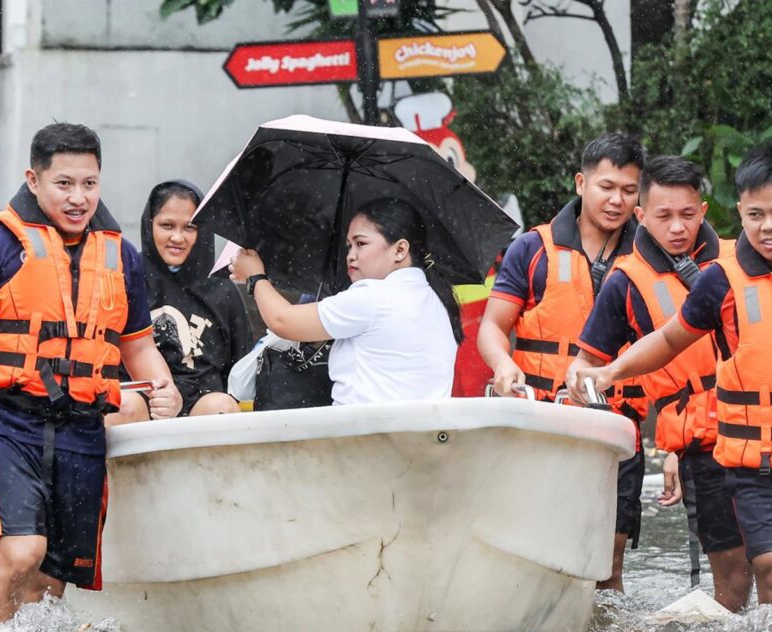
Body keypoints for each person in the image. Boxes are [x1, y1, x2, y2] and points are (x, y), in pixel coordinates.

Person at [573, 144, 772, 611]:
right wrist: (610, 372)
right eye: (756, 215)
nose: (768, 226)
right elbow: (669, 339)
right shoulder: (718, 278)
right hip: (750, 461)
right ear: (740, 212)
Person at [0, 123, 181, 623]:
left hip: (82, 427)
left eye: (89, 183)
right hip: (6, 420)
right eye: (64, 183)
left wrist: (165, 392)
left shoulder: (121, 257)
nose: (78, 198)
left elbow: (139, 349)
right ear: (34, 180)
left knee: (50, 581)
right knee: (22, 553)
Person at [566, 155, 752, 610]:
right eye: (664, 216)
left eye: (688, 214)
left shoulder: (743, 257)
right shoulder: (625, 282)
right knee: (731, 575)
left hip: (760, 429)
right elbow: (586, 363)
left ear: (703, 210)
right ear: (641, 216)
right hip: (699, 445)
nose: (677, 227)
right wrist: (578, 387)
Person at [476, 132, 647, 592]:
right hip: (543, 423)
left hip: (616, 426)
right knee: (534, 554)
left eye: (629, 190)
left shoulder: (649, 256)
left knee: (609, 566)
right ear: (581, 183)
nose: (617, 200)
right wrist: (502, 364)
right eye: (606, 187)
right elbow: (492, 327)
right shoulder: (532, 249)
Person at [228, 197, 461, 405]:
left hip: (363, 435)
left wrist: (255, 277)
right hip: (419, 435)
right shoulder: (436, 301)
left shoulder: (372, 296)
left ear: (400, 249)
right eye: (349, 246)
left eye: (361, 243)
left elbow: (283, 321)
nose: (350, 255)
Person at [108, 179, 253, 424]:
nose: (177, 237)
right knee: (122, 405)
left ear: (203, 230)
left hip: (201, 405)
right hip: (141, 399)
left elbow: (240, 366)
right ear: (149, 225)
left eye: (189, 227)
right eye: (167, 225)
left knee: (222, 406)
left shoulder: (221, 289)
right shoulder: (128, 276)